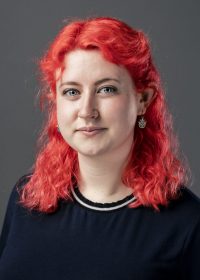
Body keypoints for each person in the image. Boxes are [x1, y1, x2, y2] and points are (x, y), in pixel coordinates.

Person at [0, 16, 200, 280]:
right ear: (55, 101)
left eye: (106, 89)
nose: (87, 111)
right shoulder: (25, 198)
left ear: (143, 99)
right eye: (72, 92)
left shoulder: (187, 223)